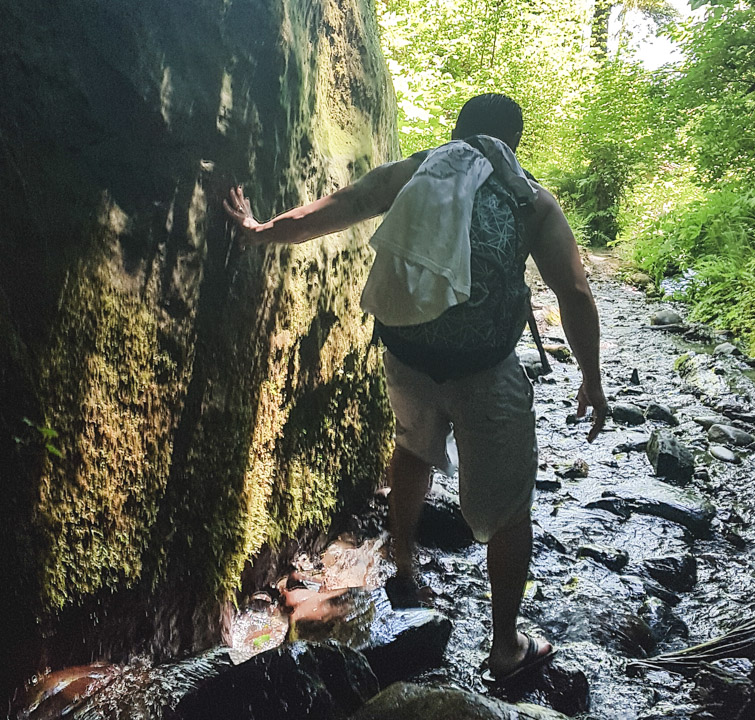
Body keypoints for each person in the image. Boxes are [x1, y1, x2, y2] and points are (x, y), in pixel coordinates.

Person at [223, 93, 607, 683]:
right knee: (507, 511)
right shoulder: (530, 198)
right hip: (486, 372)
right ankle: (505, 647)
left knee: (413, 447)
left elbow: (342, 205)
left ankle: (404, 568)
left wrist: (257, 232)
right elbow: (575, 294)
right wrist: (591, 378)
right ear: (515, 142)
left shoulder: (420, 172)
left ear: (455, 131)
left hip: (408, 358)